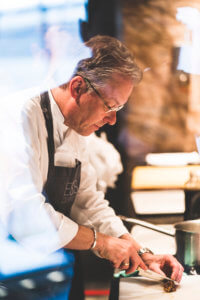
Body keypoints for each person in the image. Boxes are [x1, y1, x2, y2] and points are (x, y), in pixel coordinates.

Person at [0, 35, 183, 299]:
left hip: (60, 269)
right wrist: (101, 242)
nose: (112, 119)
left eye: (120, 108)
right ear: (77, 88)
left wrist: (143, 254)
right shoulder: (16, 118)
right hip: (15, 279)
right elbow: (28, 218)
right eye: (110, 106)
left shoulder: (77, 127)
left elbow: (87, 202)